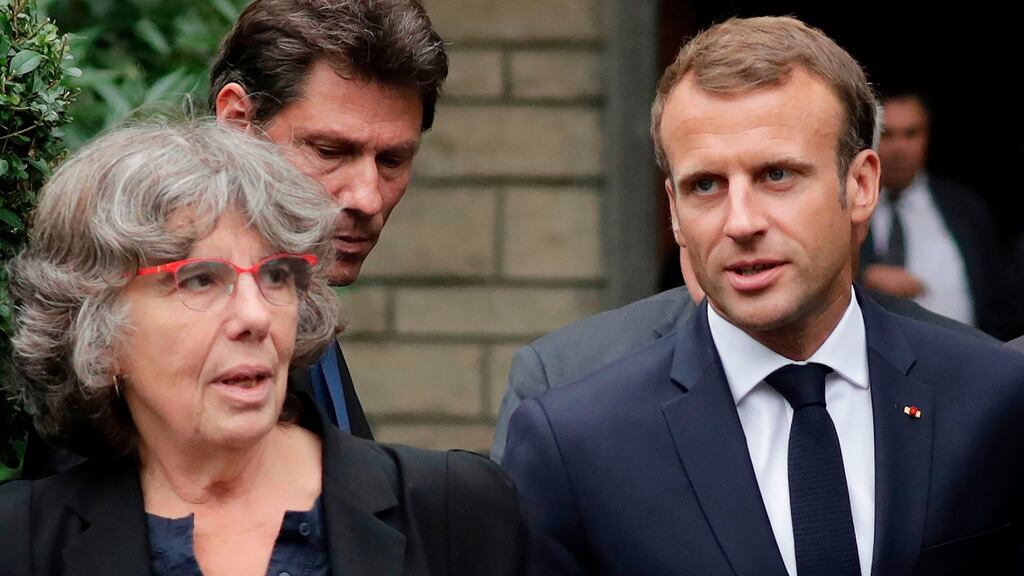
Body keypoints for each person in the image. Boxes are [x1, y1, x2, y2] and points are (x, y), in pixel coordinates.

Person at [502, 16, 1024, 575]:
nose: (742, 221)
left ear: (861, 186)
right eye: (706, 185)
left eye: (777, 175)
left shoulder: (993, 398)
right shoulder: (578, 444)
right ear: (674, 211)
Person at [0, 122, 526, 575]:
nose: (254, 317)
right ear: (99, 330)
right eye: (200, 280)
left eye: (276, 275)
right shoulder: (19, 543)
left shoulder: (454, 509)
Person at [210, 0, 450, 436]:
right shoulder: (154, 332)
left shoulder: (298, 296)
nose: (368, 198)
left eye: (392, 160)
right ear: (237, 122)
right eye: (329, 152)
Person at [860, 92, 1003, 336]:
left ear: (927, 137)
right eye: (887, 134)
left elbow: (997, 292)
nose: (899, 147)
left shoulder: (965, 208)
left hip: (968, 354)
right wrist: (862, 275)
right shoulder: (847, 207)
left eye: (911, 134)